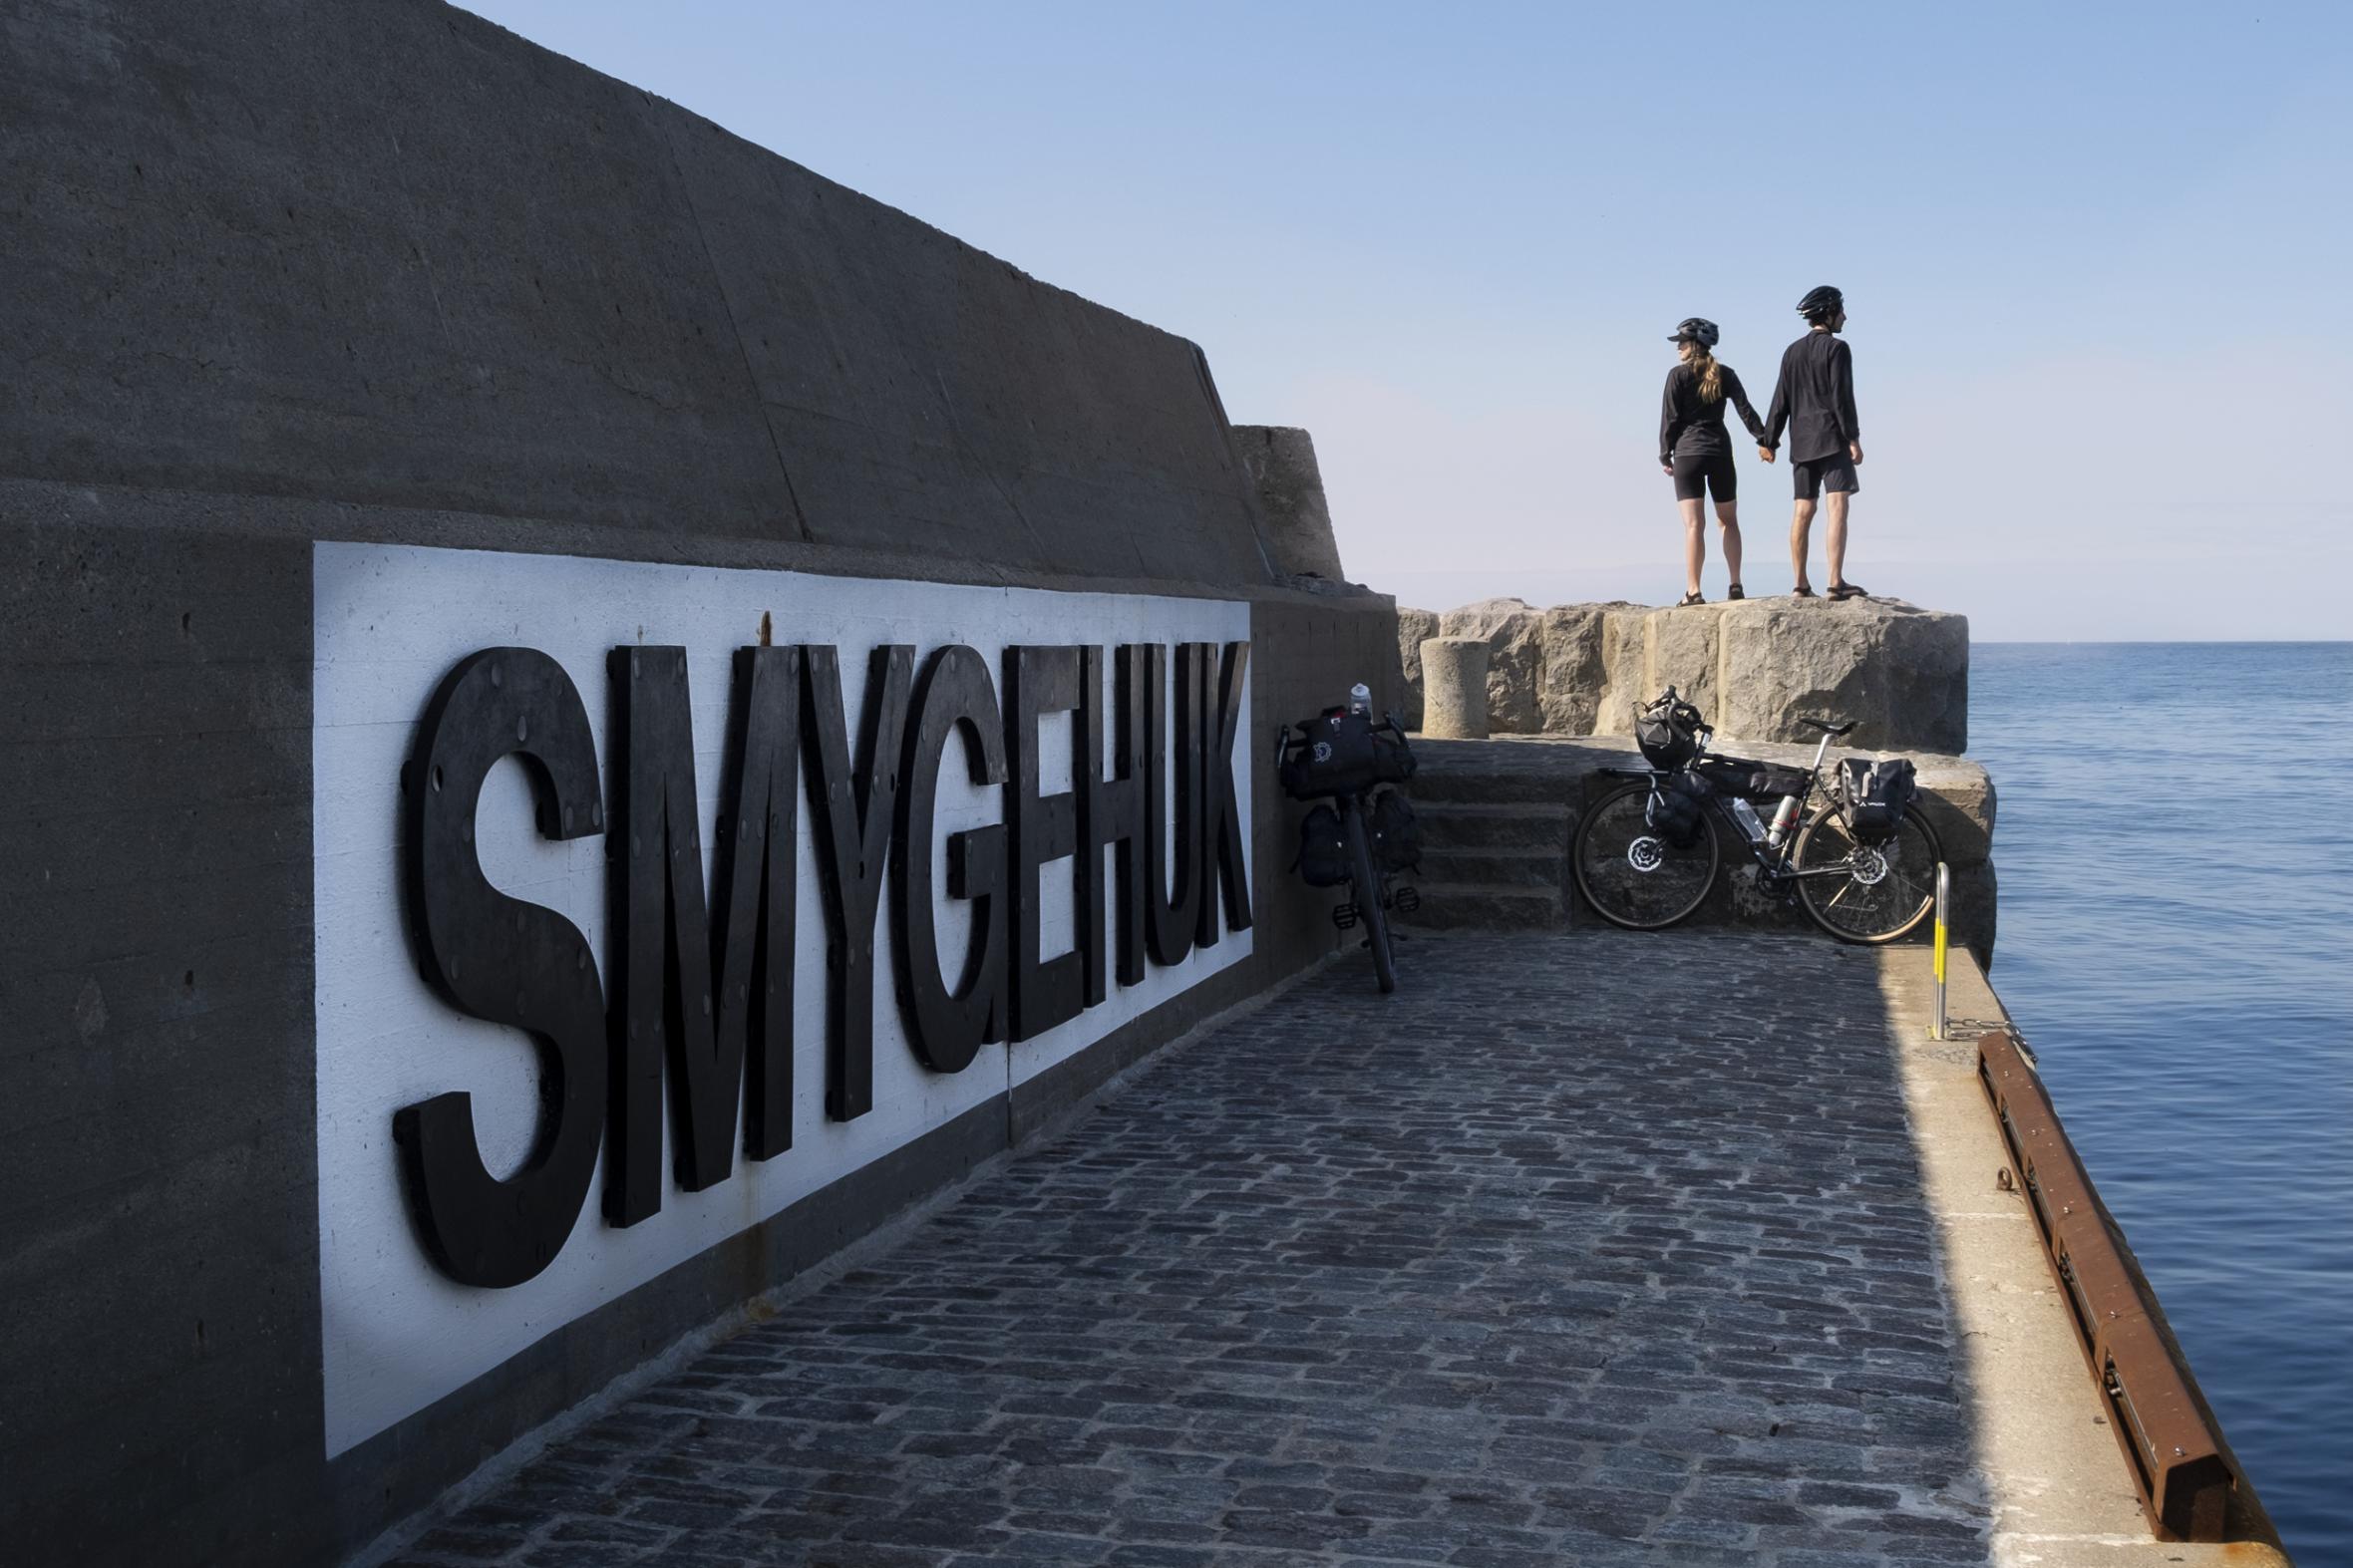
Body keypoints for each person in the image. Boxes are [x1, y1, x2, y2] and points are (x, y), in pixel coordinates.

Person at [1759, 285, 1867, 599]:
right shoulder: (1837, 349)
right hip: (1833, 439)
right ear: (1830, 313)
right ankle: (1835, 582)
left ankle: (1799, 584)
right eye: (1841, 311)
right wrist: (1853, 438)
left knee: (1802, 512)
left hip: (1802, 444)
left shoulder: (1791, 351)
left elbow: (1781, 400)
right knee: (1837, 508)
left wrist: (1769, 441)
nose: (1845, 317)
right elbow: (1842, 397)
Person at [1658, 317, 1768, 606]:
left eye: (1681, 341)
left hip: (1687, 454)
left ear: (1695, 344)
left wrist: (1664, 452)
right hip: (1719, 452)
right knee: (1728, 522)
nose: (1678, 347)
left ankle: (1693, 591)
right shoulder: (1726, 374)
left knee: (1694, 525)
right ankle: (1735, 585)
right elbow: (1746, 411)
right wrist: (1765, 440)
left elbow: (1669, 418)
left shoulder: (1676, 376)